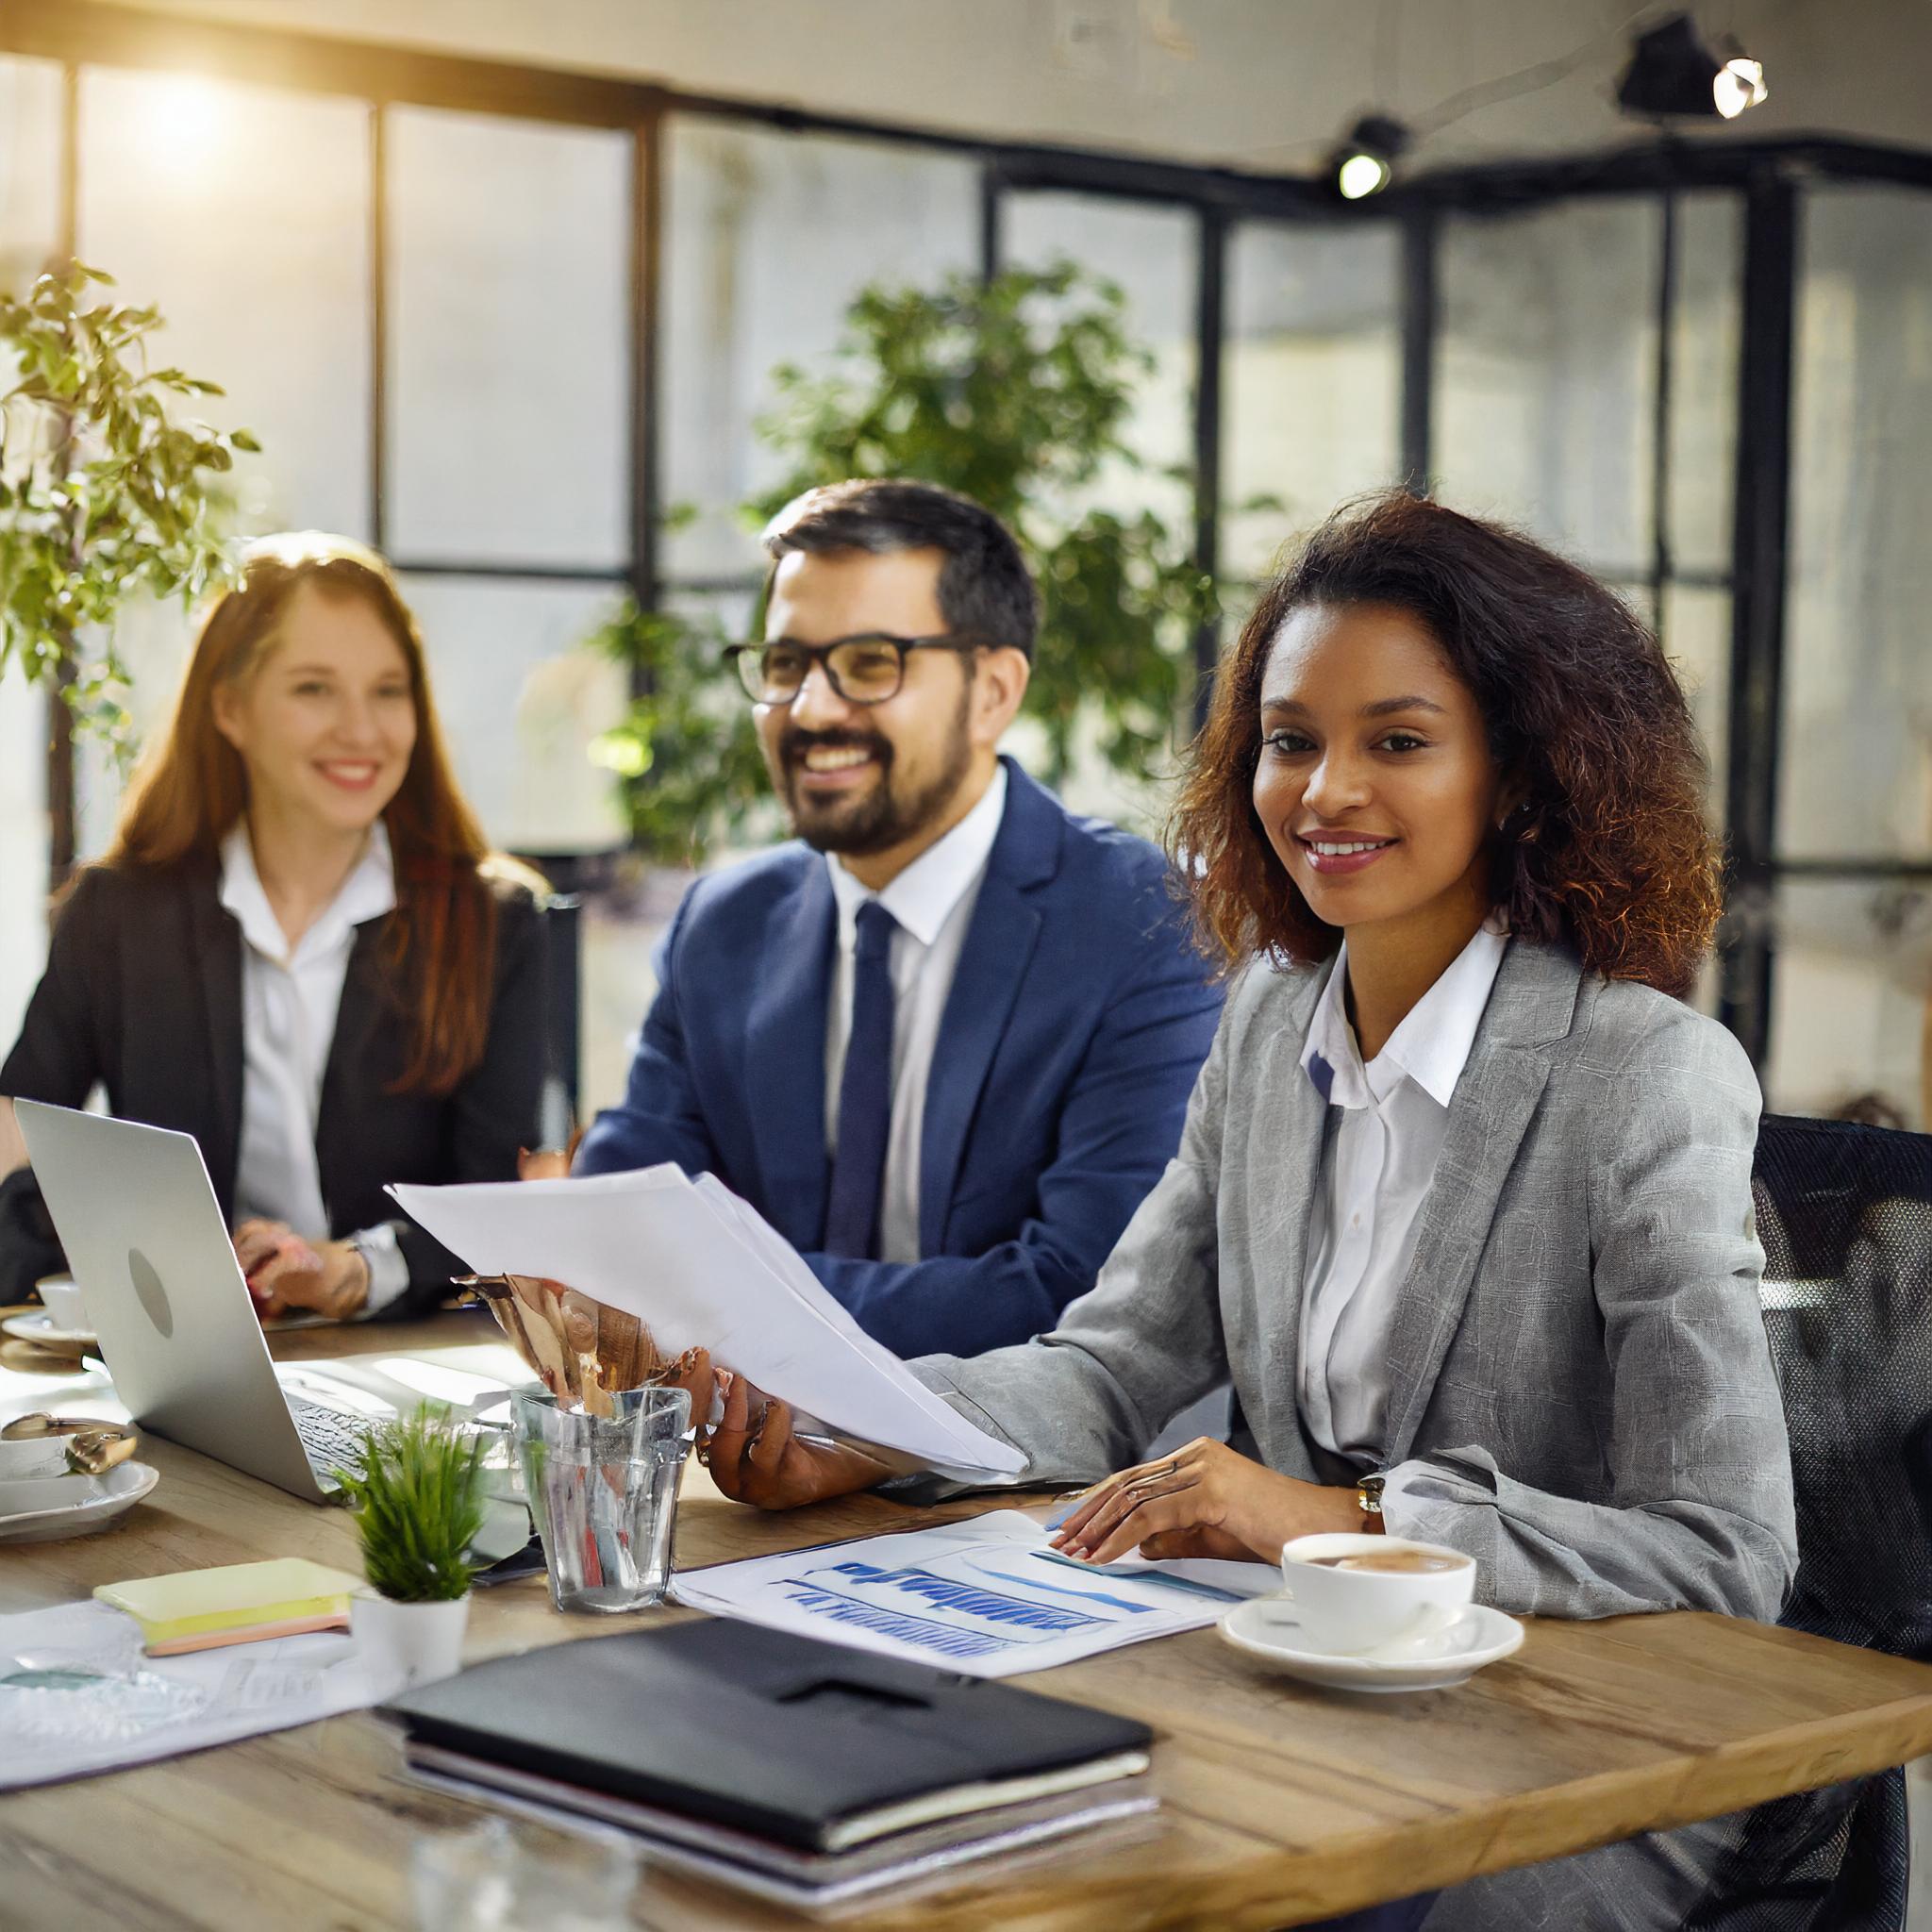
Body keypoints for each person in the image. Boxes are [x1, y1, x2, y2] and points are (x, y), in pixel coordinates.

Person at [500, 491, 1799, 1932]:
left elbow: (1725, 1547)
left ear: (1522, 773)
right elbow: (1114, 1364)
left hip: (1565, 1746)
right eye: (1292, 741)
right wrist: (862, 1433)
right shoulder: (1266, 1026)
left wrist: (1334, 1517)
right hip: (1301, 1693)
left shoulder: (1646, 1077)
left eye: (1400, 742)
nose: (1324, 792)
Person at [571, 478, 1223, 1357]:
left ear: (994, 690)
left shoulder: (1141, 922)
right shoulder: (723, 924)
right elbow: (622, 1219)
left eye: (870, 663)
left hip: (1034, 1477)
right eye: (785, 663)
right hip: (735, 1471)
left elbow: (1088, 1289)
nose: (811, 708)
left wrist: (720, 1302)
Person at [0, 532, 548, 1321]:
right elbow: (23, 1133)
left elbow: (500, 1208)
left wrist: (354, 1270)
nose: (362, 730)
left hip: (404, 1365)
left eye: (389, 691)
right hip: (184, 1353)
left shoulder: (494, 923)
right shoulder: (119, 913)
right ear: (230, 708)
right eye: (314, 689)